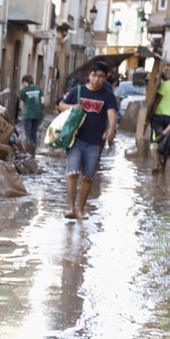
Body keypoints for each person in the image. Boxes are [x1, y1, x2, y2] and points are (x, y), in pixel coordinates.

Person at [56, 60, 119, 220]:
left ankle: (80, 209)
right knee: (72, 173)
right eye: (93, 75)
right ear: (89, 75)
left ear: (106, 78)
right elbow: (60, 105)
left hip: (94, 142)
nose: (96, 79)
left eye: (100, 76)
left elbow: (112, 113)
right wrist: (72, 107)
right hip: (75, 139)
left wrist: (111, 128)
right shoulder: (77, 91)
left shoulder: (107, 95)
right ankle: (70, 208)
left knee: (88, 177)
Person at [16, 74, 45, 155]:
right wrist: (41, 111)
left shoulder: (24, 91)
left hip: (28, 114)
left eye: (23, 83)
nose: (23, 85)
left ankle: (28, 152)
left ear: (25, 82)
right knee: (34, 132)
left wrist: (22, 113)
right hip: (37, 114)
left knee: (27, 132)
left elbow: (21, 105)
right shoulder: (39, 89)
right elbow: (43, 102)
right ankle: (33, 151)